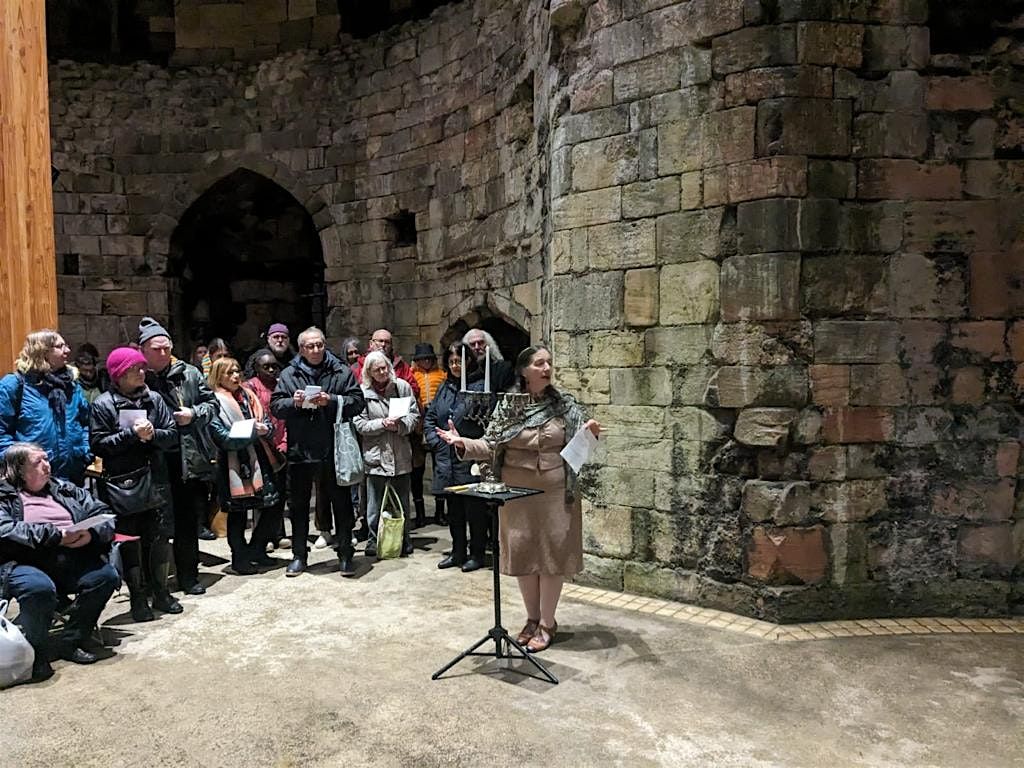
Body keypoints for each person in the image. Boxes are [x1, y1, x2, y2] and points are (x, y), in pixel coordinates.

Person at [436, 344, 601, 653]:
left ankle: (548, 622)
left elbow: (583, 448)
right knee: (524, 555)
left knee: (551, 558)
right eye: (539, 363)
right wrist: (462, 443)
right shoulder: (510, 405)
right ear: (525, 371)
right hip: (516, 493)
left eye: (549, 363)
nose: (547, 368)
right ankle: (531, 618)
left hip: (554, 493)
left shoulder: (565, 405)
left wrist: (591, 434)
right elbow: (489, 444)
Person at [0, 442, 120, 683]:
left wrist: (91, 534)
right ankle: (37, 652)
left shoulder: (64, 488)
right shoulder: (5, 496)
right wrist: (55, 535)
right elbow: (5, 529)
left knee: (105, 577)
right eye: (38, 462)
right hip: (23, 562)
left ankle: (71, 640)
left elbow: (102, 512)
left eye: (47, 459)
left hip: (71, 557)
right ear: (18, 469)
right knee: (39, 588)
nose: (47, 465)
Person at [90, 347, 180, 622]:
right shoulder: (103, 404)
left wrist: (152, 435)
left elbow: (173, 435)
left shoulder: (154, 399)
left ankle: (162, 593)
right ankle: (138, 599)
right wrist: (131, 435)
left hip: (156, 479)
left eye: (142, 368)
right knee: (130, 542)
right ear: (119, 374)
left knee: (159, 538)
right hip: (123, 484)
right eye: (134, 369)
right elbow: (99, 445)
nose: (141, 373)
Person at [270, 327, 365, 577]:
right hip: (300, 450)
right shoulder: (289, 373)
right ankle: (299, 556)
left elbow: (357, 401)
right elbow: (277, 406)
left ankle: (345, 554)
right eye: (310, 346)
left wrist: (331, 400)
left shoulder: (340, 371)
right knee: (299, 506)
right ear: (301, 349)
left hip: (332, 448)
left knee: (342, 504)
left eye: (319, 345)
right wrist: (295, 402)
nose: (315, 350)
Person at [138, 317, 219, 595]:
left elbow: (212, 403)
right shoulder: (137, 376)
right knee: (155, 524)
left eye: (166, 347)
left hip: (186, 456)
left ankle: (188, 576)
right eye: (155, 348)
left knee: (187, 520)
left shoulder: (190, 374)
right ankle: (155, 583)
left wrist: (194, 414)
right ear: (143, 351)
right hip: (151, 459)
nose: (162, 353)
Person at [207, 358, 283, 575]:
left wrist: (263, 429)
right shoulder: (213, 402)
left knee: (273, 505)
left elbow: (267, 422)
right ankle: (239, 559)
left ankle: (257, 549)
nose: (235, 376)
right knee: (238, 514)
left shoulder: (249, 396)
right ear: (218, 376)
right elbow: (222, 437)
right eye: (229, 373)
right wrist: (251, 431)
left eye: (237, 371)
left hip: (258, 457)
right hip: (231, 462)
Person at [424, 343, 488, 571]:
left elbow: (484, 423)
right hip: (445, 459)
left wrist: (464, 441)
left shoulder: (479, 389)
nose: (455, 366)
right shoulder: (444, 387)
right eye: (451, 362)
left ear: (468, 361)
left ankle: (477, 553)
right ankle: (457, 551)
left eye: (459, 361)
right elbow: (430, 418)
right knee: (454, 511)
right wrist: (436, 441)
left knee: (475, 511)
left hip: (468, 459)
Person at [0, 330, 92, 486]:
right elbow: (2, 433)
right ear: (42, 352)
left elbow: (86, 422)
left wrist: (84, 450)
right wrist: (21, 463)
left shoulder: (72, 385)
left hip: (73, 478)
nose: (67, 351)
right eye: (60, 346)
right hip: (30, 482)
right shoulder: (15, 385)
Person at [353, 351, 419, 559]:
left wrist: (400, 426)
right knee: (374, 504)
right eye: (377, 370)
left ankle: (403, 539)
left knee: (401, 501)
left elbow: (414, 415)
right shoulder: (363, 393)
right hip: (376, 455)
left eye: (385, 368)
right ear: (369, 373)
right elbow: (359, 423)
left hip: (399, 452)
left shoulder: (402, 387)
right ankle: (374, 539)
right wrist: (382, 424)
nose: (383, 372)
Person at [246, 349, 290, 551]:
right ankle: (264, 538)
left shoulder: (282, 385)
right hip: (262, 445)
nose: (271, 370)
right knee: (264, 495)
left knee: (281, 493)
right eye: (266, 366)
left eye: (274, 366)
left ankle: (279, 533)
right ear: (256, 368)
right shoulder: (251, 387)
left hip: (282, 441)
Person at [410, 342, 446, 527]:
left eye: (428, 358)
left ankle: (440, 511)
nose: (425, 361)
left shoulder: (442, 376)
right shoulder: (412, 376)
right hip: (418, 427)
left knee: (441, 469)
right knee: (417, 470)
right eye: (421, 358)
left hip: (438, 426)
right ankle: (420, 513)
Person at [462, 328, 516, 393]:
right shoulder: (463, 370)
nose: (477, 347)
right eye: (472, 344)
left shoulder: (503, 369)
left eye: (481, 343)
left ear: (489, 345)